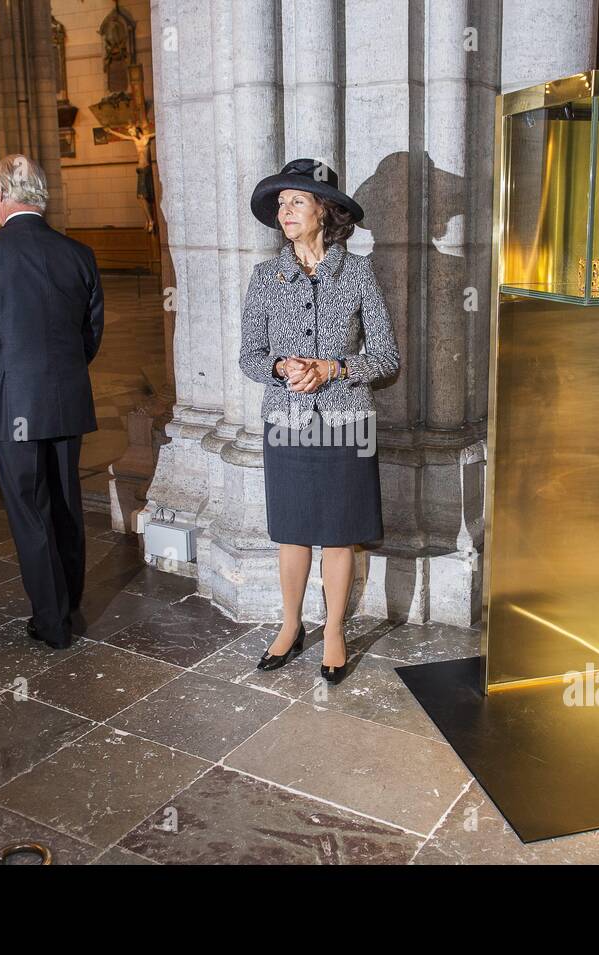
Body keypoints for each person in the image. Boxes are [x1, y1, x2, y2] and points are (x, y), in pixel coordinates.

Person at [239, 158, 400, 684]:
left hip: (346, 422)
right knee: (291, 532)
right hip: (286, 420)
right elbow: (249, 355)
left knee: (337, 534)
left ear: (324, 211)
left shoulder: (356, 273)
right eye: (281, 204)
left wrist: (334, 368)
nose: (285, 212)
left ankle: (333, 629)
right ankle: (290, 626)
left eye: (296, 202)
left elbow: (386, 357)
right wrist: (280, 366)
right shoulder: (266, 277)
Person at [0, 154, 105, 649]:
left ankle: (52, 620)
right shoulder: (78, 253)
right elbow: (91, 333)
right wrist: (60, 376)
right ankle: (70, 602)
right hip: (65, 398)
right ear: (40, 195)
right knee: (64, 503)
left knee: (30, 511)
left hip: (12, 400)